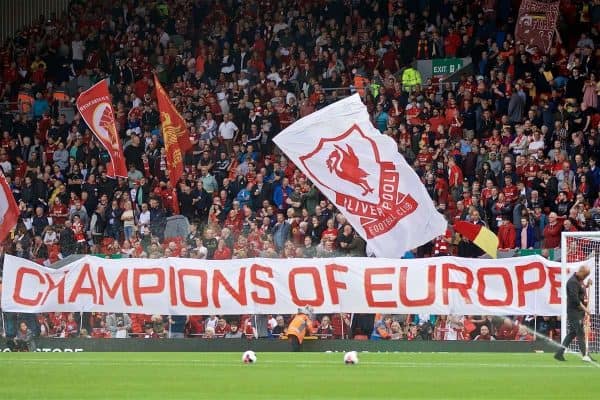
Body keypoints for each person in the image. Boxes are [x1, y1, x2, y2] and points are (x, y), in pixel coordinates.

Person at [555, 265, 594, 362]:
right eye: (584, 276)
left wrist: (587, 285)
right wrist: (585, 309)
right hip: (574, 311)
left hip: (579, 312)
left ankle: (559, 353)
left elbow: (581, 289)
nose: (584, 278)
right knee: (580, 332)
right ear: (580, 272)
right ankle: (585, 355)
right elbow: (575, 299)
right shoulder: (572, 282)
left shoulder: (579, 280)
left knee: (572, 333)